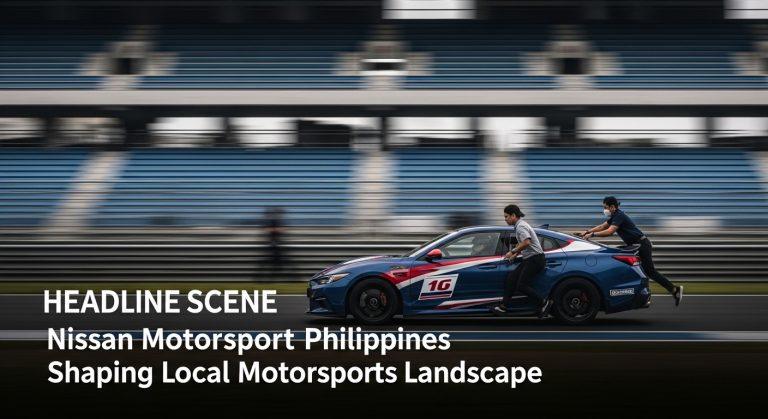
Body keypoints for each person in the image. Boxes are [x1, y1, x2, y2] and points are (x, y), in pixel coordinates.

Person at [577, 196, 683, 306]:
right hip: (635, 245)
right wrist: (586, 232)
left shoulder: (619, 215)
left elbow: (609, 231)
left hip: (641, 245)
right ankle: (638, 294)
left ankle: (672, 290)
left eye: (605, 207)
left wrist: (592, 235)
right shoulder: (615, 215)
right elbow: (602, 226)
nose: (604, 210)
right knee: (637, 269)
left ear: (612, 207)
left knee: (650, 272)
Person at [493, 204, 551, 318]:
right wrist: (515, 254)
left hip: (535, 259)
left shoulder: (521, 227)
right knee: (511, 279)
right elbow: (523, 244)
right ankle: (503, 307)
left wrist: (512, 251)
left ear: (513, 215)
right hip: (530, 259)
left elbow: (526, 242)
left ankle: (544, 302)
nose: (505, 219)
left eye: (506, 217)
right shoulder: (519, 225)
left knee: (521, 286)